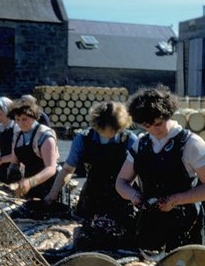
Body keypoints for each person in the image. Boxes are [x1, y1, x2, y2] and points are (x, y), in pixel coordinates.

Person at [115, 85, 205, 252]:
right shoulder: (141, 144)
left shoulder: (191, 143)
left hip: (184, 223)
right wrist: (134, 195)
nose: (153, 130)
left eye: (158, 124)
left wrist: (175, 199)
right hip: (149, 222)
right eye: (147, 126)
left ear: (168, 115)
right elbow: (121, 182)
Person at [45, 101, 138, 246]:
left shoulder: (129, 139)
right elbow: (68, 169)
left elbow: (140, 171)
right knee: (88, 238)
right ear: (97, 125)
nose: (112, 133)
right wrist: (52, 194)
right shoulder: (83, 138)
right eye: (109, 129)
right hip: (92, 196)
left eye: (116, 130)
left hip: (121, 198)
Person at [0, 99, 61, 219]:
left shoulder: (45, 135)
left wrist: (30, 182)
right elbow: (14, 159)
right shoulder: (18, 134)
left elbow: (51, 168)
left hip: (48, 183)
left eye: (24, 119)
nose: (21, 123)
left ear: (34, 117)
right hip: (29, 179)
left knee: (45, 217)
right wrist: (12, 174)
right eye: (17, 119)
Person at [0, 96, 21, 183]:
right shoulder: (0, 127)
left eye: (0, 115)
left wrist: (0, 160)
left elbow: (17, 154)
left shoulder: (16, 127)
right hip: (2, 165)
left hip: (15, 167)